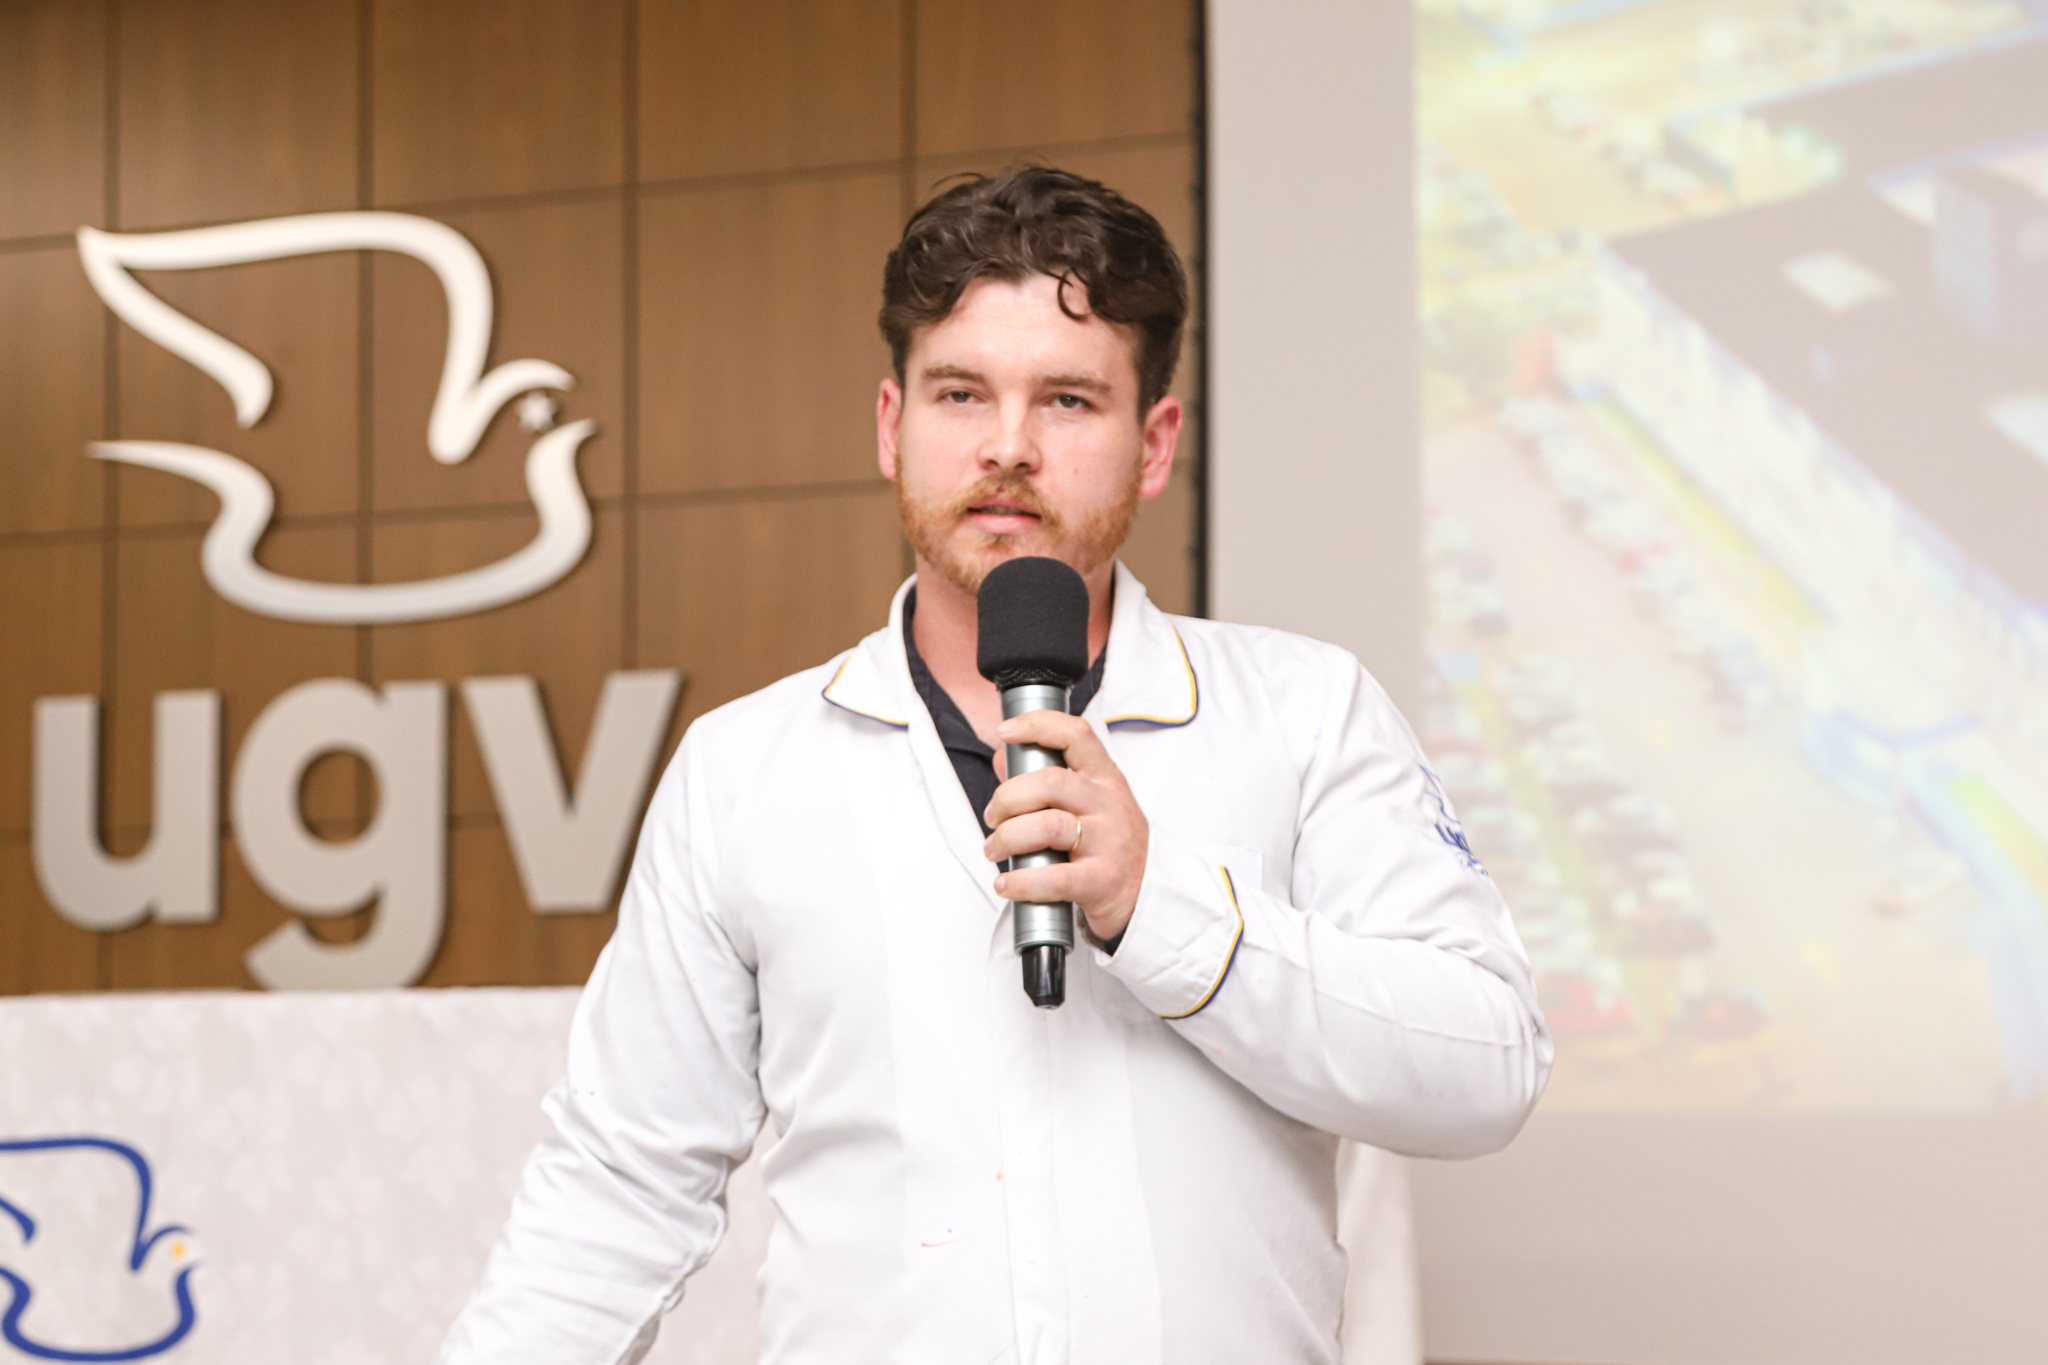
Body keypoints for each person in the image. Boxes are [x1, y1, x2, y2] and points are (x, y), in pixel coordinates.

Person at [439, 166, 1550, 1365]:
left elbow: (1483, 1066)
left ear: (1153, 444)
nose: (1007, 447)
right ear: (891, 426)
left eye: (1067, 400)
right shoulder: (743, 771)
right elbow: (616, 1186)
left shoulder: (1303, 712)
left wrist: (1163, 908)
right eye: (960, 393)